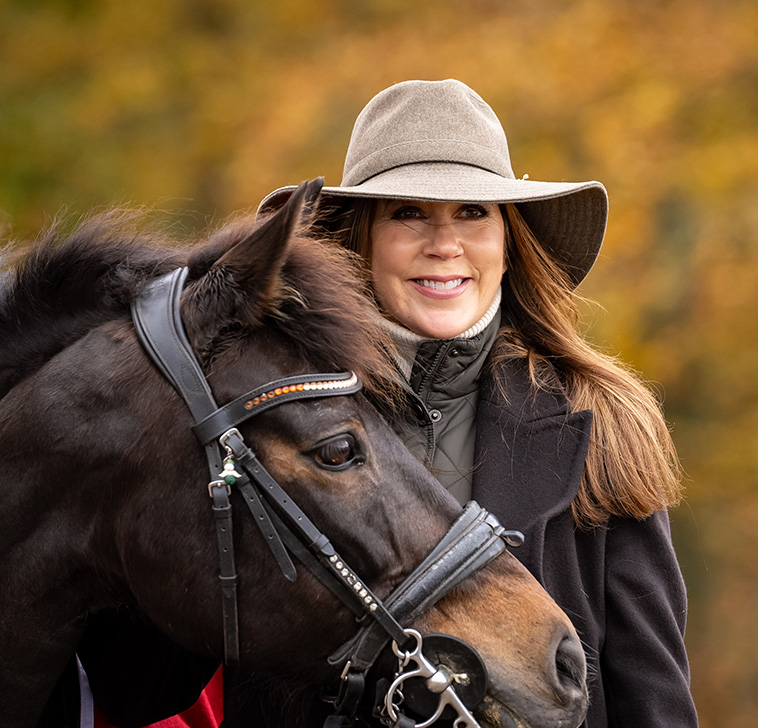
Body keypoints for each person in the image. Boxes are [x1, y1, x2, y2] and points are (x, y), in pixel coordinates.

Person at [71, 78, 698, 727]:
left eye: (473, 213)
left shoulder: (602, 424)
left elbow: (654, 699)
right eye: (408, 213)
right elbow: (140, 689)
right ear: (359, 240)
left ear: (509, 243)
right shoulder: (269, 420)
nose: (444, 243)